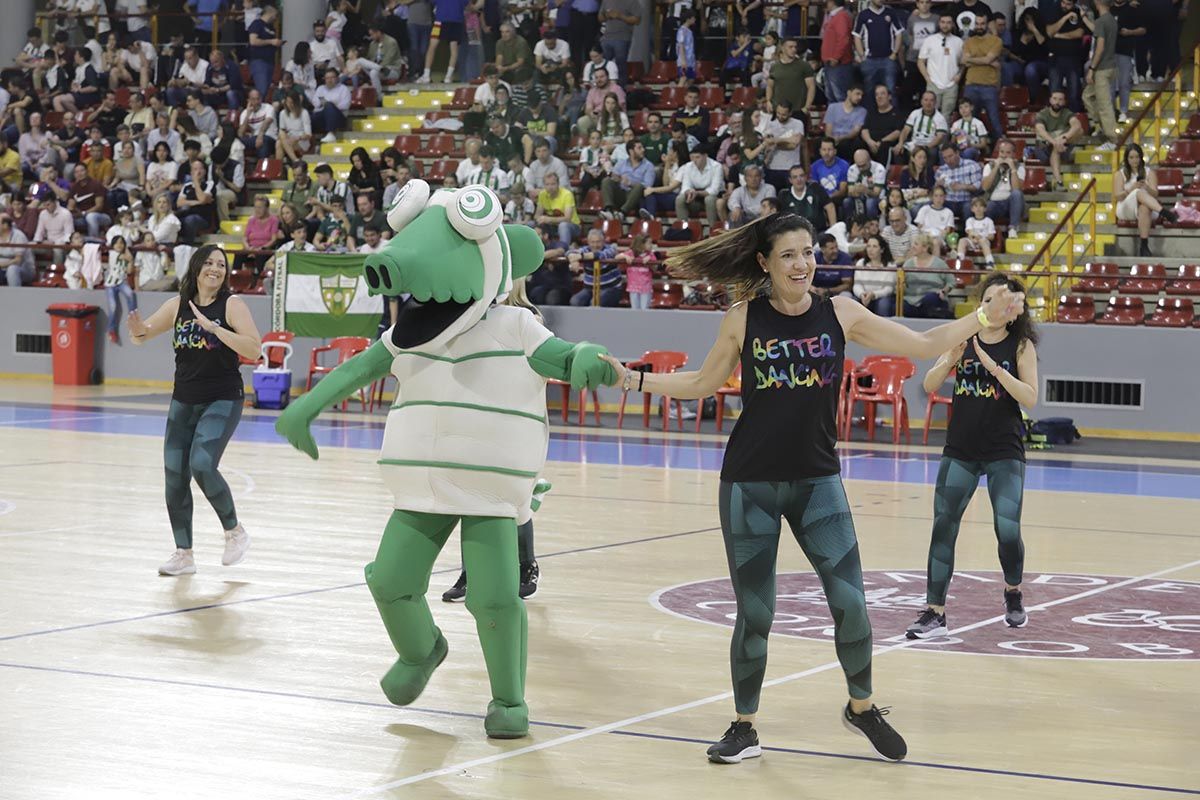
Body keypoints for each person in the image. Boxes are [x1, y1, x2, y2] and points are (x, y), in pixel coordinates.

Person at [596, 212, 1025, 765]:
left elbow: (923, 344)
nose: (802, 264)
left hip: (819, 481)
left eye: (808, 252)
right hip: (749, 483)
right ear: (765, 264)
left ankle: (862, 707)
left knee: (851, 603)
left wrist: (980, 316)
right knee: (757, 614)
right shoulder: (741, 318)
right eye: (789, 256)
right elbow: (703, 383)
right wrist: (632, 378)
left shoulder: (840, 312)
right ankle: (744, 726)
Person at [905, 272, 1039, 640]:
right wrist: (949, 358)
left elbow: (1030, 398)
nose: (995, 304)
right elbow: (929, 385)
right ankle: (935, 611)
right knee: (943, 526)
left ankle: (1013, 591)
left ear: (1012, 312)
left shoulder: (1021, 345)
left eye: (1005, 300)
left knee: (1007, 529)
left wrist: (995, 368)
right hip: (961, 449)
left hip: (1003, 450)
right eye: (990, 297)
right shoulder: (961, 337)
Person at [125, 245, 263, 576]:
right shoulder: (178, 305)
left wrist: (216, 329)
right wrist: (135, 328)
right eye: (210, 263)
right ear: (197, 267)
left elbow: (255, 349)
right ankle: (183, 553)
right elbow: (142, 335)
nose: (216, 269)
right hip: (183, 399)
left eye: (221, 265)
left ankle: (235, 531)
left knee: (201, 464)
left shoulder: (232, 304)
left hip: (223, 398)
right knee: (174, 475)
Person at [1116, 142, 1177, 257]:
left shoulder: (1149, 172)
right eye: (1131, 157)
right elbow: (1118, 196)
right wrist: (1132, 189)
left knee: (1144, 208)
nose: (1135, 160)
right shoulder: (1120, 174)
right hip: (1126, 208)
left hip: (1149, 207)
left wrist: (1147, 188)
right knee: (1138, 192)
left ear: (1141, 157)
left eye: (1137, 157)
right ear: (1127, 159)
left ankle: (1144, 246)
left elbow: (1155, 194)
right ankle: (1164, 212)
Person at [1081, 0, 1119, 149]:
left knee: (1104, 104)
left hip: (1102, 69)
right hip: (1109, 67)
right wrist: (1084, 18)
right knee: (1087, 96)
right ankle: (1103, 126)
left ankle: (1112, 139)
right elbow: (1097, 30)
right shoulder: (1109, 20)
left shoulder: (1103, 21)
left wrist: (1092, 68)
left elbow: (1100, 47)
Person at [960, 12, 1003, 139]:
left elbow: (985, 60)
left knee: (994, 121)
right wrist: (986, 61)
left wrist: (972, 60)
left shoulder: (996, 41)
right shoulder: (968, 41)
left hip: (989, 86)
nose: (979, 26)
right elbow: (964, 61)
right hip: (970, 85)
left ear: (988, 25)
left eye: (982, 24)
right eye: (977, 24)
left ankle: (999, 150)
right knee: (970, 123)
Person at [1033, 90, 1083, 191]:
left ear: (1064, 102)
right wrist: (1055, 142)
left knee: (1080, 130)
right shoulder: (1042, 114)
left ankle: (1059, 182)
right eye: (1055, 99)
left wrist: (1064, 138)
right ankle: (1058, 181)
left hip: (1062, 146)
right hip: (1043, 148)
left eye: (1060, 99)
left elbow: (1076, 125)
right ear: (1050, 100)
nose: (1057, 102)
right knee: (1056, 147)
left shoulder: (1067, 113)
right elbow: (1040, 130)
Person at [918, 14, 964, 120]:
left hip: (951, 85)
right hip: (934, 83)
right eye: (943, 22)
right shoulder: (930, 40)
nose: (945, 25)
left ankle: (944, 137)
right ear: (939, 24)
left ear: (952, 25)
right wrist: (927, 78)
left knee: (947, 116)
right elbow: (920, 61)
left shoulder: (959, 41)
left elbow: (963, 62)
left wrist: (959, 75)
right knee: (930, 114)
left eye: (948, 22)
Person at [901, 232, 954, 317]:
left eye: (916, 244)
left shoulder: (939, 263)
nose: (912, 247)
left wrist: (944, 291)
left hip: (932, 298)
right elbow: (901, 282)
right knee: (899, 305)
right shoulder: (908, 264)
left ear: (925, 248)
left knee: (930, 299)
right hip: (911, 299)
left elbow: (951, 282)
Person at [417, 0, 468, 84]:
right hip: (456, 22)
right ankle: (448, 77)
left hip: (441, 20)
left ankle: (426, 76)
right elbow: (466, 4)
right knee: (453, 50)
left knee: (432, 47)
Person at [103, 234, 138, 343]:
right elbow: (126, 257)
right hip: (110, 284)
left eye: (121, 243)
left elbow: (129, 271)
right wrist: (128, 254)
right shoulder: (112, 253)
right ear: (113, 245)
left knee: (130, 294)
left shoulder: (126, 255)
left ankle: (133, 320)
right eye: (117, 243)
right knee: (113, 307)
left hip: (121, 282)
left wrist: (130, 260)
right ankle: (111, 330)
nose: (119, 245)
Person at [852, 234, 896, 316]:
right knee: (851, 300)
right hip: (863, 296)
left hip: (881, 297)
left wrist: (873, 294)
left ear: (882, 249)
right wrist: (862, 294)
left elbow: (888, 289)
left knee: (884, 304)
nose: (870, 250)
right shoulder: (860, 263)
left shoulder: (891, 265)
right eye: (868, 246)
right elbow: (857, 285)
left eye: (874, 246)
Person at [617, 233, 658, 309]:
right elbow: (617, 257)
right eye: (649, 243)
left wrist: (650, 262)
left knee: (644, 309)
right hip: (633, 287)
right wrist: (625, 256)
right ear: (641, 244)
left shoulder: (651, 255)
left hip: (646, 288)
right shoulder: (630, 253)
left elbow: (655, 269)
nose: (651, 245)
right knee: (635, 309)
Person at [914, 185, 957, 254]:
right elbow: (919, 227)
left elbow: (947, 231)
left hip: (939, 238)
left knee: (935, 242)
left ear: (945, 197)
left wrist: (937, 235)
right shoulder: (924, 209)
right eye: (936, 196)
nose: (938, 199)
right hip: (925, 236)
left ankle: (935, 263)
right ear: (932, 197)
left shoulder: (949, 212)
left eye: (941, 196)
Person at [0, 214, 36, 287]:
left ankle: (14, 296)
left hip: (24, 269)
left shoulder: (18, 235)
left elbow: (18, 260)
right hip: (2, 269)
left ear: (5, 225)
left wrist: (1, 265)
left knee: (12, 269)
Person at [958, 196, 995, 266]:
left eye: (981, 206)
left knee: (982, 241)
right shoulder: (969, 220)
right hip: (972, 241)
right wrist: (975, 238)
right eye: (975, 206)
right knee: (962, 240)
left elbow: (991, 236)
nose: (978, 208)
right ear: (972, 209)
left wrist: (981, 237)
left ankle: (990, 262)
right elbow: (970, 232)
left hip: (984, 241)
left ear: (985, 209)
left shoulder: (989, 221)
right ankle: (960, 260)